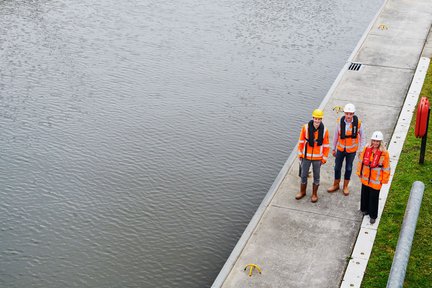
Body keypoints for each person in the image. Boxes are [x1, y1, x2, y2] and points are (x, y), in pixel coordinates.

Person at [327, 103, 365, 195]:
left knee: (348, 168)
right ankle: (336, 184)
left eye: (351, 114)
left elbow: (363, 137)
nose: (348, 116)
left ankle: (345, 186)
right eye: (347, 113)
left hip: (351, 151)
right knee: (337, 167)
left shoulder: (358, 124)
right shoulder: (339, 122)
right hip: (340, 149)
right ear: (344, 113)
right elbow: (336, 136)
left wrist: (361, 150)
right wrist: (333, 148)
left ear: (353, 114)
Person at [295, 109, 330, 203]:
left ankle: (314, 194)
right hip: (306, 157)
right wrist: (300, 154)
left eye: (319, 119)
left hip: (318, 158)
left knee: (317, 176)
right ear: (313, 118)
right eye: (316, 119)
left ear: (321, 119)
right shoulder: (305, 128)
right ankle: (302, 192)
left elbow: (326, 146)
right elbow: (301, 142)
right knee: (303, 175)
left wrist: (324, 158)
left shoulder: (325, 131)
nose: (317, 121)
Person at [356, 131, 390, 224]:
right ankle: (364, 209)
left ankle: (373, 215)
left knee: (374, 198)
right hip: (366, 178)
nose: (375, 143)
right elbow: (361, 161)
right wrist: (359, 172)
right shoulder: (366, 149)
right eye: (374, 141)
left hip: (376, 180)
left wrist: (384, 180)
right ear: (371, 141)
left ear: (380, 142)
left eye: (377, 141)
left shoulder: (384, 154)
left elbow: (386, 167)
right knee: (365, 194)